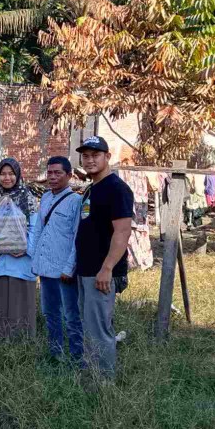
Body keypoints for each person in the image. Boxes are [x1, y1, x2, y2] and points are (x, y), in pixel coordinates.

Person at [75, 136, 133, 380]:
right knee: (89, 327)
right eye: (86, 156)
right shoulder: (93, 187)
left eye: (95, 155)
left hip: (102, 273)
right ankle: (91, 375)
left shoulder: (116, 189)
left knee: (99, 330)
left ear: (108, 157)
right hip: (86, 269)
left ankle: (103, 385)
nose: (90, 160)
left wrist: (107, 268)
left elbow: (123, 231)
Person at [0, 158, 40, 339]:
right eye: (2, 174)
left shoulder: (27, 198)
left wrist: (26, 249)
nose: (7, 178)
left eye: (11, 173)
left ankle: (20, 339)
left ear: (17, 175)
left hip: (20, 258)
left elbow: (35, 228)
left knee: (17, 299)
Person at [32, 156, 83, 363]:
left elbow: (78, 237)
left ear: (69, 176)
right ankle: (56, 355)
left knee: (71, 317)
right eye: (49, 173)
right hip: (46, 268)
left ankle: (77, 357)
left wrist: (69, 267)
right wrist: (35, 261)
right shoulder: (45, 198)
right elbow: (38, 230)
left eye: (57, 173)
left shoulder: (76, 202)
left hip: (64, 271)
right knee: (50, 314)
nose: (52, 177)